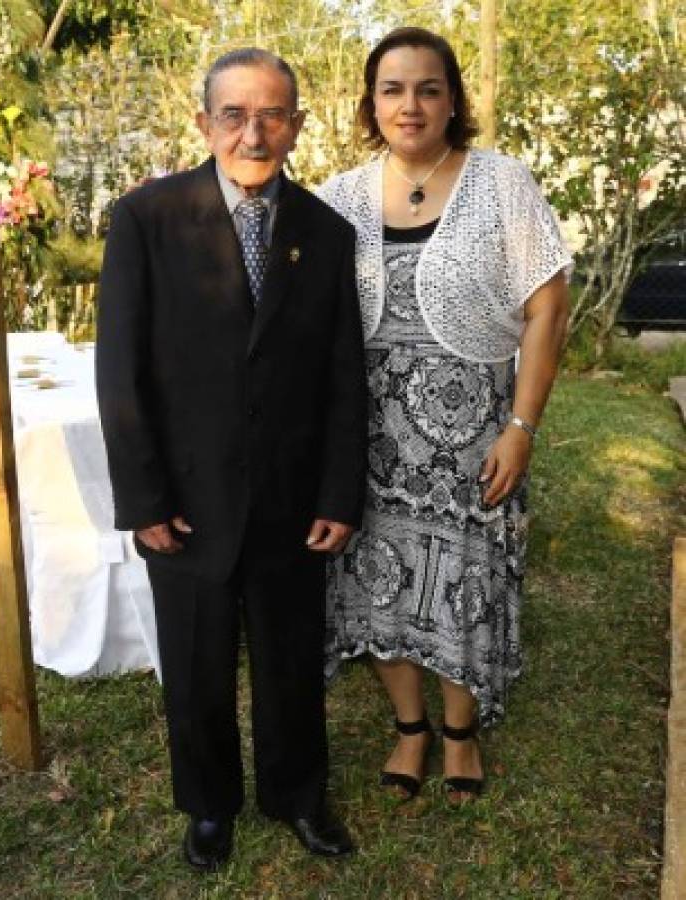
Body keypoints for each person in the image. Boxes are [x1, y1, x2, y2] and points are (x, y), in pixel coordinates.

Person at [96, 48, 367, 871]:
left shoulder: (324, 231)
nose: (254, 133)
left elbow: (341, 373)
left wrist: (337, 492)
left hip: (291, 499)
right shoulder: (146, 218)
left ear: (297, 124)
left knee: (290, 660)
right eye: (234, 114)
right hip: (184, 496)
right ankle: (208, 806)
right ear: (203, 122)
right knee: (195, 660)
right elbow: (121, 369)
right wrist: (144, 500)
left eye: (273, 114)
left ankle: (298, 796)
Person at [318, 27, 571, 804]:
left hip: (474, 436)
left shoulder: (500, 184)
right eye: (392, 89)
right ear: (370, 102)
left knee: (465, 575)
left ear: (453, 99)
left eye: (428, 88)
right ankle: (409, 728)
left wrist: (520, 428)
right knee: (375, 579)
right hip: (368, 435)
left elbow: (547, 306)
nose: (410, 104)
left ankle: (458, 732)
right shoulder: (340, 196)